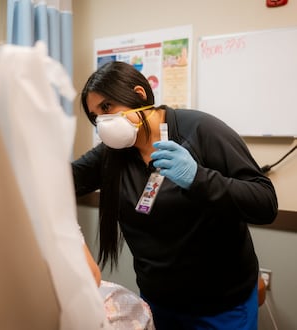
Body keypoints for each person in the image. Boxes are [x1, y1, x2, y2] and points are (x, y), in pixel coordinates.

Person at [71, 61, 278, 330]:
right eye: (96, 115)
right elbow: (62, 181)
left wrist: (199, 178)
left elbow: (265, 203)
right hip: (159, 302)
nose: (103, 121)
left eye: (107, 107)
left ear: (139, 94)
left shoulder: (202, 130)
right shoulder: (113, 155)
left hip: (221, 304)